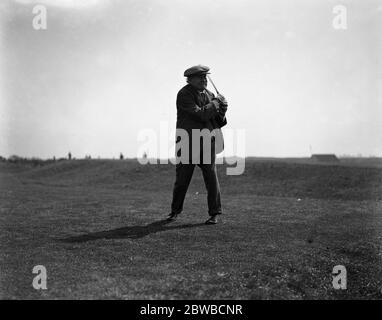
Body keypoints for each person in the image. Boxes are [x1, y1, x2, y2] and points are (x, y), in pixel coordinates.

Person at [167, 65, 228, 225]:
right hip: (188, 143)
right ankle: (175, 211)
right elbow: (201, 115)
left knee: (211, 178)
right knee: (182, 180)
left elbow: (216, 121)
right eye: (200, 77)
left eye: (205, 77)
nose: (204, 80)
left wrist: (223, 110)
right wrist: (216, 104)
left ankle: (214, 213)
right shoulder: (184, 94)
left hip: (208, 142)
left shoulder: (210, 94)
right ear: (190, 79)